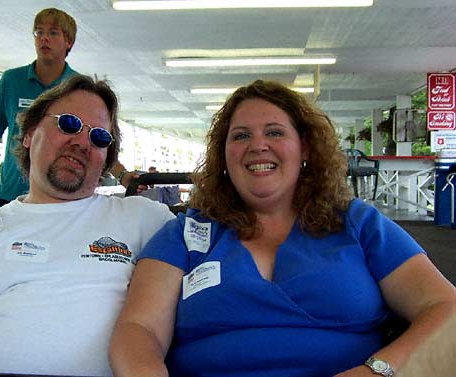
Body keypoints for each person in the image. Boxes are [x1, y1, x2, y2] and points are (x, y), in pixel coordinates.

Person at [109, 80, 456, 377]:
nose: (257, 145)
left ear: (304, 146)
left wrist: (376, 371)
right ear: (224, 155)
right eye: (241, 135)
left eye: (274, 132)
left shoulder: (357, 223)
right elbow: (139, 327)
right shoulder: (184, 234)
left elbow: (445, 307)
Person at [0, 75, 174, 376]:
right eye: (69, 124)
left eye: (99, 137)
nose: (82, 143)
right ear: (29, 134)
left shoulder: (142, 217)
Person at [0, 8, 136, 217]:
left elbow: (95, 139)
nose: (44, 38)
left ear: (68, 41)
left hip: (62, 200)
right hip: (11, 196)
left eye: (53, 33)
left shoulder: (79, 91)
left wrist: (122, 175)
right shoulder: (11, 81)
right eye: (39, 32)